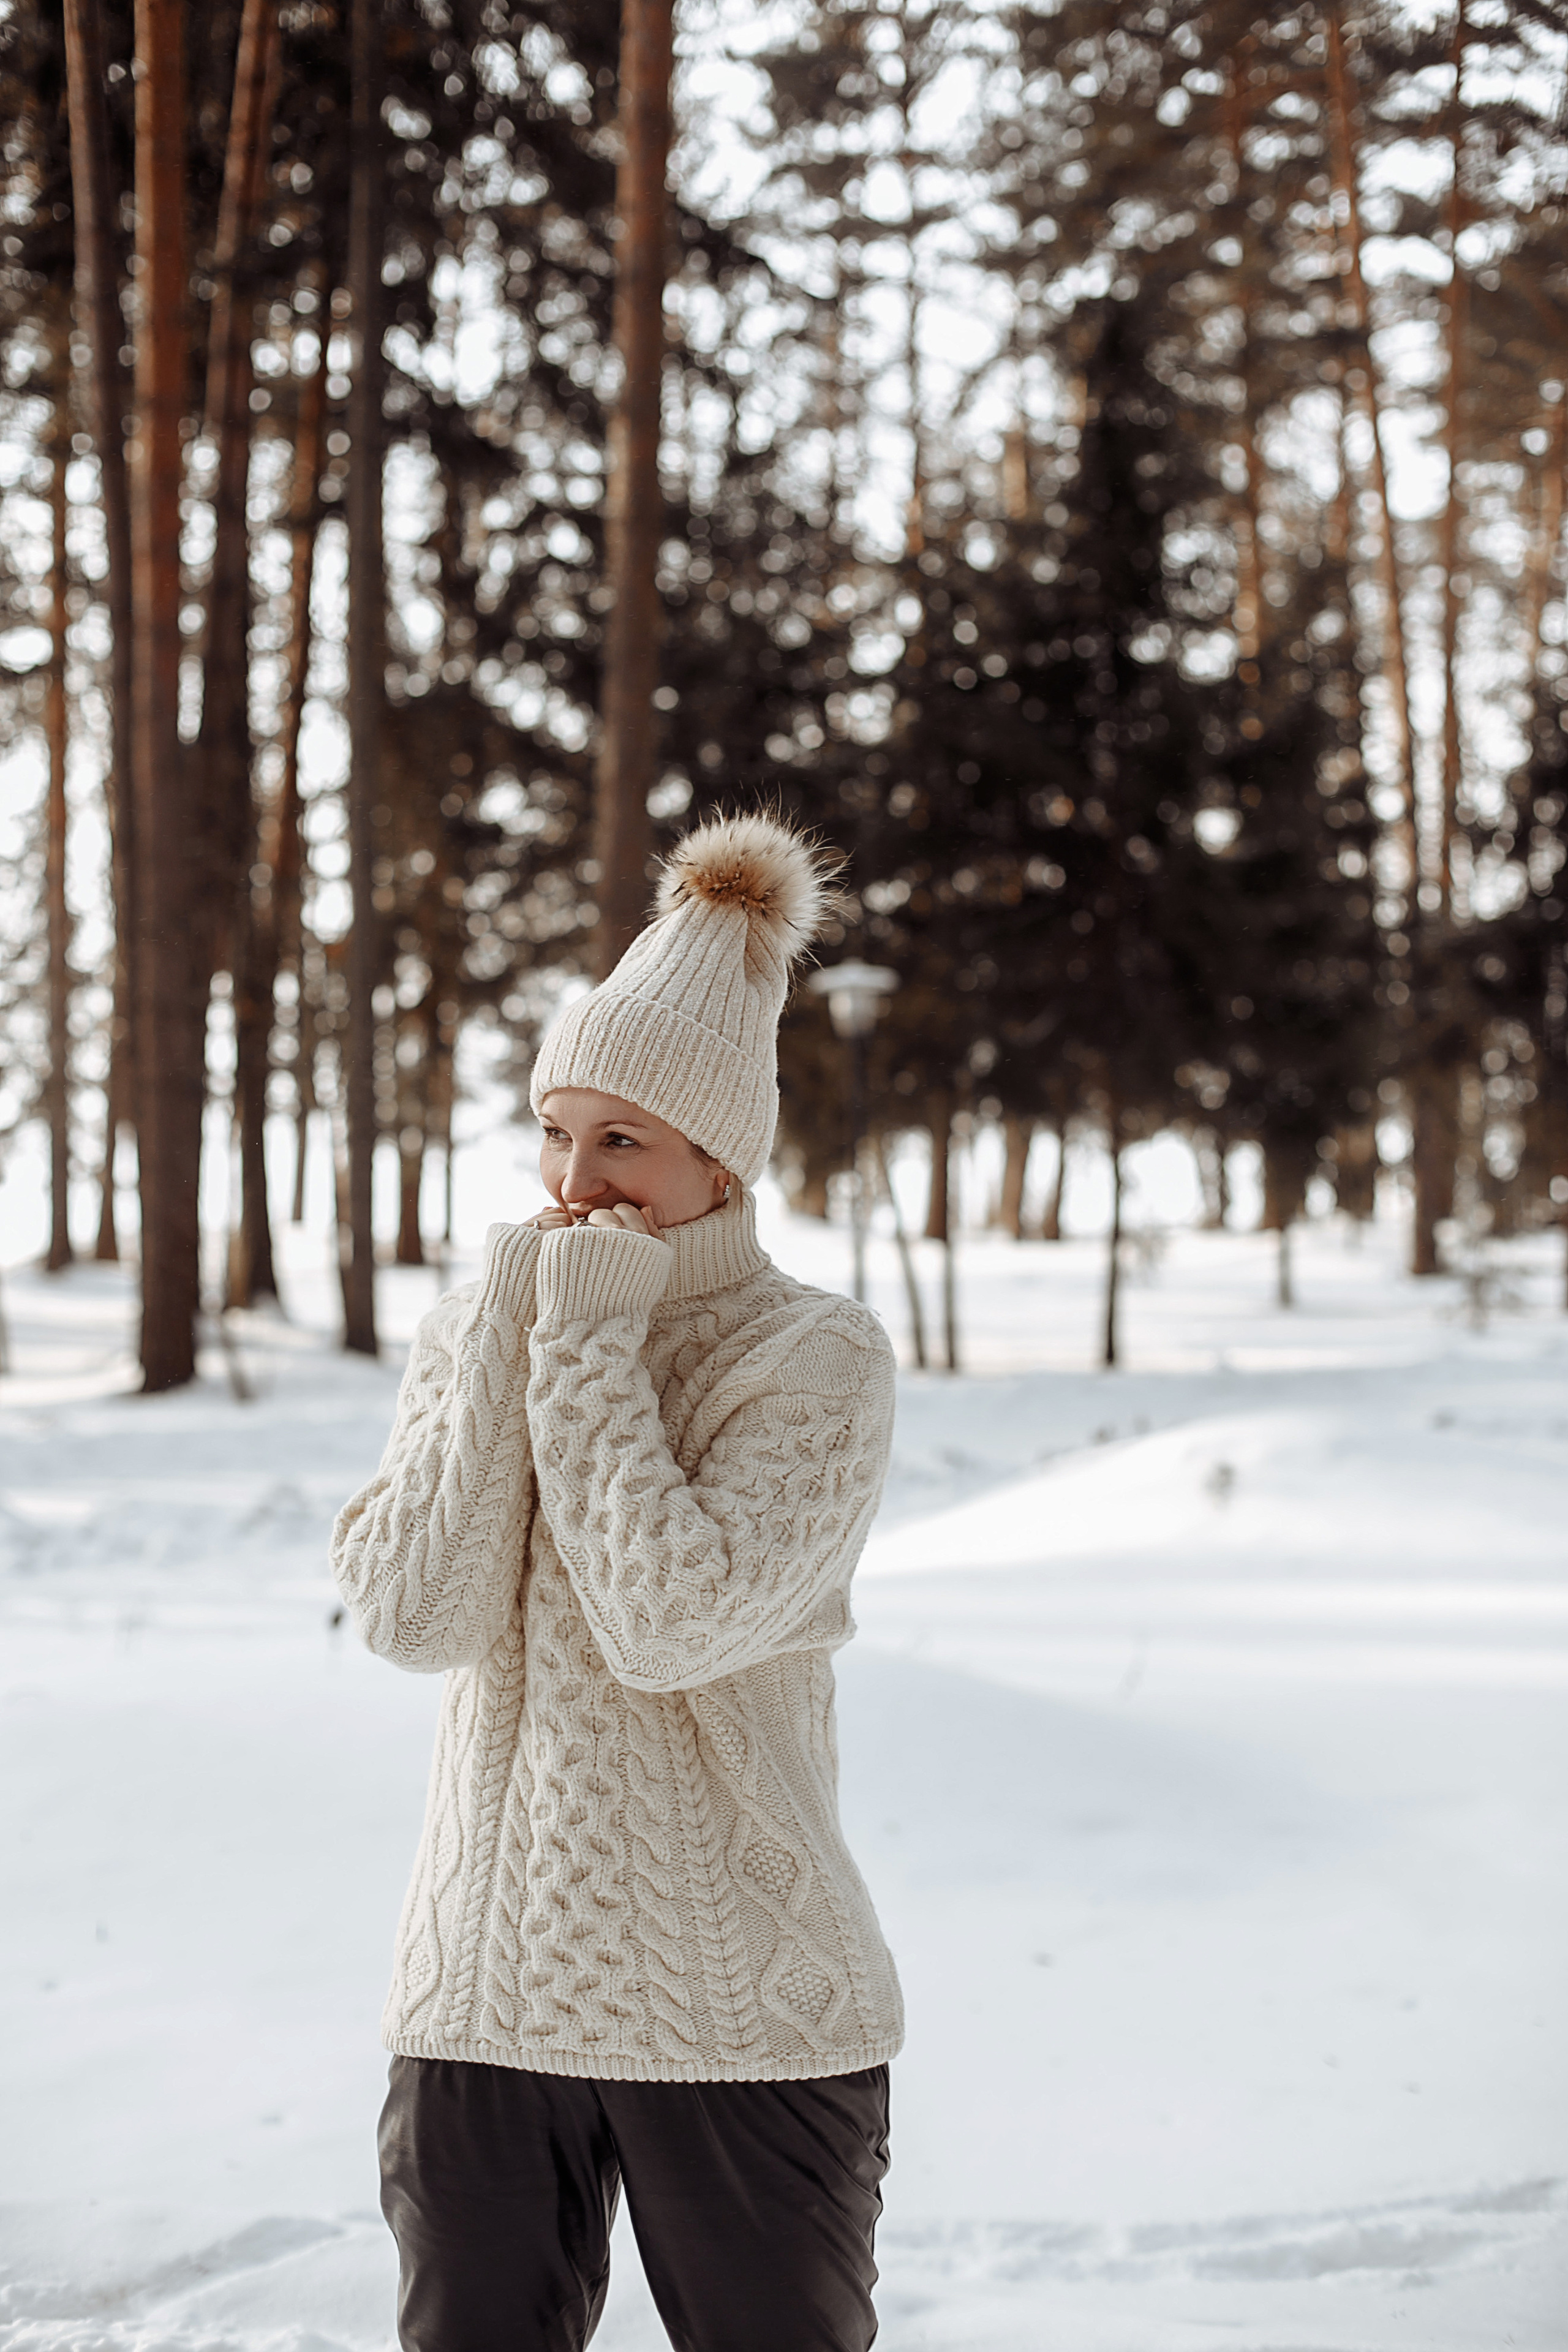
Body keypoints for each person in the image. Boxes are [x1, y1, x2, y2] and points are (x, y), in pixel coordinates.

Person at [330, 810, 904, 2352]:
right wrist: (509, 1339)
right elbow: (409, 1617)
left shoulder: (812, 1357)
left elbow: (668, 1622)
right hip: (479, 2000)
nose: (573, 1180)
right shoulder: (492, 1320)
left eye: (622, 1142)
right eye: (556, 1133)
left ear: (717, 1158)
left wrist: (585, 1340)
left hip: (749, 2016)